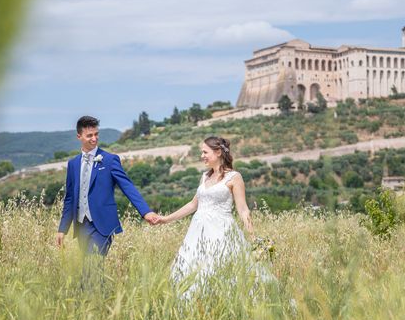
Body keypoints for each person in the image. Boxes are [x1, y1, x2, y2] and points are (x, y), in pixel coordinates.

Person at [156, 136, 271, 297]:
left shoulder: (234, 177)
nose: (202, 155)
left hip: (221, 232)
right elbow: (193, 205)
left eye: (205, 152)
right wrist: (165, 219)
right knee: (193, 269)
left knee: (221, 269)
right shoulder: (205, 176)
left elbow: (243, 210)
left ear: (218, 152)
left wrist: (253, 239)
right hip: (198, 233)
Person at [56, 116, 160, 256]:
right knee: (88, 273)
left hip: (103, 226)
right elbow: (69, 199)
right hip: (81, 226)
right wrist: (63, 229)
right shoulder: (73, 164)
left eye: (96, 134)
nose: (94, 138)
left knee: (93, 267)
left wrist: (145, 212)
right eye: (89, 135)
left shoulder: (110, 160)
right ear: (79, 136)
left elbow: (127, 187)